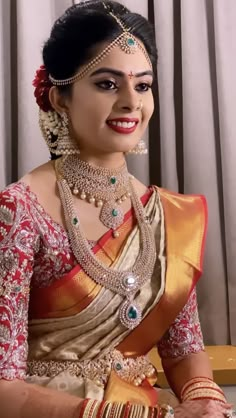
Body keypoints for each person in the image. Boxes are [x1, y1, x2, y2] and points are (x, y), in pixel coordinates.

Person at [0, 1, 234, 417]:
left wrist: (206, 401)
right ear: (60, 98)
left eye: (143, 86)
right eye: (108, 84)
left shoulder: (164, 215)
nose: (130, 101)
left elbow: (183, 352)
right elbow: (4, 387)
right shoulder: (19, 211)